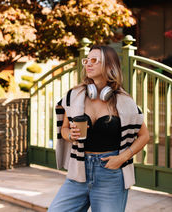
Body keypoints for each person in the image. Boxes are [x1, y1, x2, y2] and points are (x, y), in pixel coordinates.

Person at [48, 45, 149, 212]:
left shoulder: (124, 101)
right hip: (78, 171)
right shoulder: (75, 96)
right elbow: (64, 129)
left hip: (110, 174)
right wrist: (70, 135)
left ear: (109, 66)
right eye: (87, 60)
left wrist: (121, 158)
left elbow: (144, 136)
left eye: (94, 60)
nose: (88, 64)